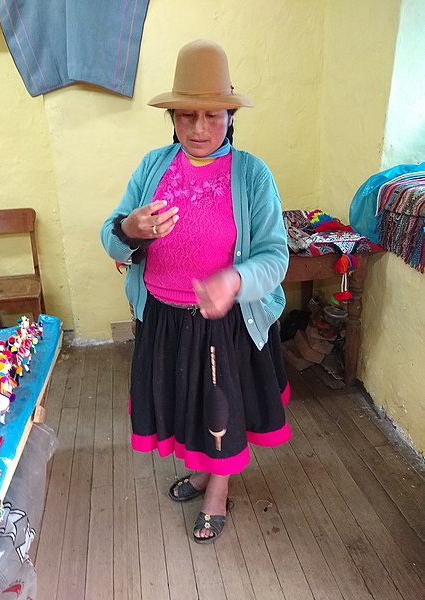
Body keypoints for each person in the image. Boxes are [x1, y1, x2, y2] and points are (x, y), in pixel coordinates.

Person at [101, 39, 291, 544]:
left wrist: (235, 279)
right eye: (187, 115)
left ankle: (217, 491)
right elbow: (109, 233)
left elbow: (275, 257)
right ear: (173, 118)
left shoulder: (251, 175)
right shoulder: (152, 167)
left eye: (212, 114)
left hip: (222, 324)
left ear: (230, 115)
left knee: (220, 409)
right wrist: (129, 229)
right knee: (187, 403)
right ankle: (204, 471)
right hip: (162, 317)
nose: (199, 128)